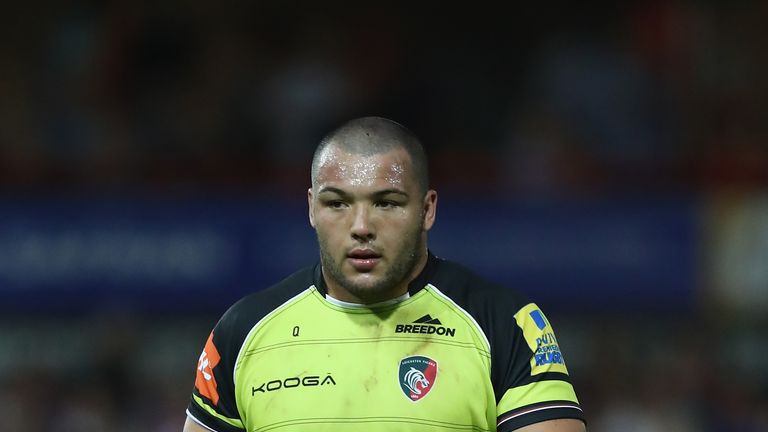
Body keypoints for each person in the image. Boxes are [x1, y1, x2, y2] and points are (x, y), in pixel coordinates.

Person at [183, 117, 586, 432]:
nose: (361, 225)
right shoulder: (243, 331)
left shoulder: (504, 324)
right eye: (337, 204)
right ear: (311, 208)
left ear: (427, 209)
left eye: (387, 203)